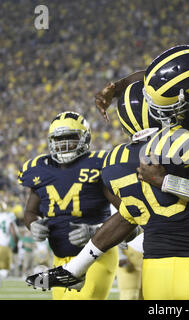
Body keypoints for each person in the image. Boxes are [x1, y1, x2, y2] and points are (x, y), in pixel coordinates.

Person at [25, 44, 189, 298]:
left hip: (157, 268)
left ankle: (74, 270)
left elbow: (128, 214)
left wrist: (167, 182)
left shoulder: (116, 160)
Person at [19, 111, 118, 300]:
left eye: (70, 138)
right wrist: (32, 224)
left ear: (85, 138)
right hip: (59, 260)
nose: (63, 144)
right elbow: (30, 212)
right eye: (58, 139)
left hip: (96, 256)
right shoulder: (38, 169)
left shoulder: (98, 164)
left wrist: (95, 231)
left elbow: (127, 213)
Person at [0, 201, 18, 287]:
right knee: (4, 269)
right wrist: (15, 243)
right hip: (4, 246)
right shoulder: (7, 217)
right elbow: (13, 233)